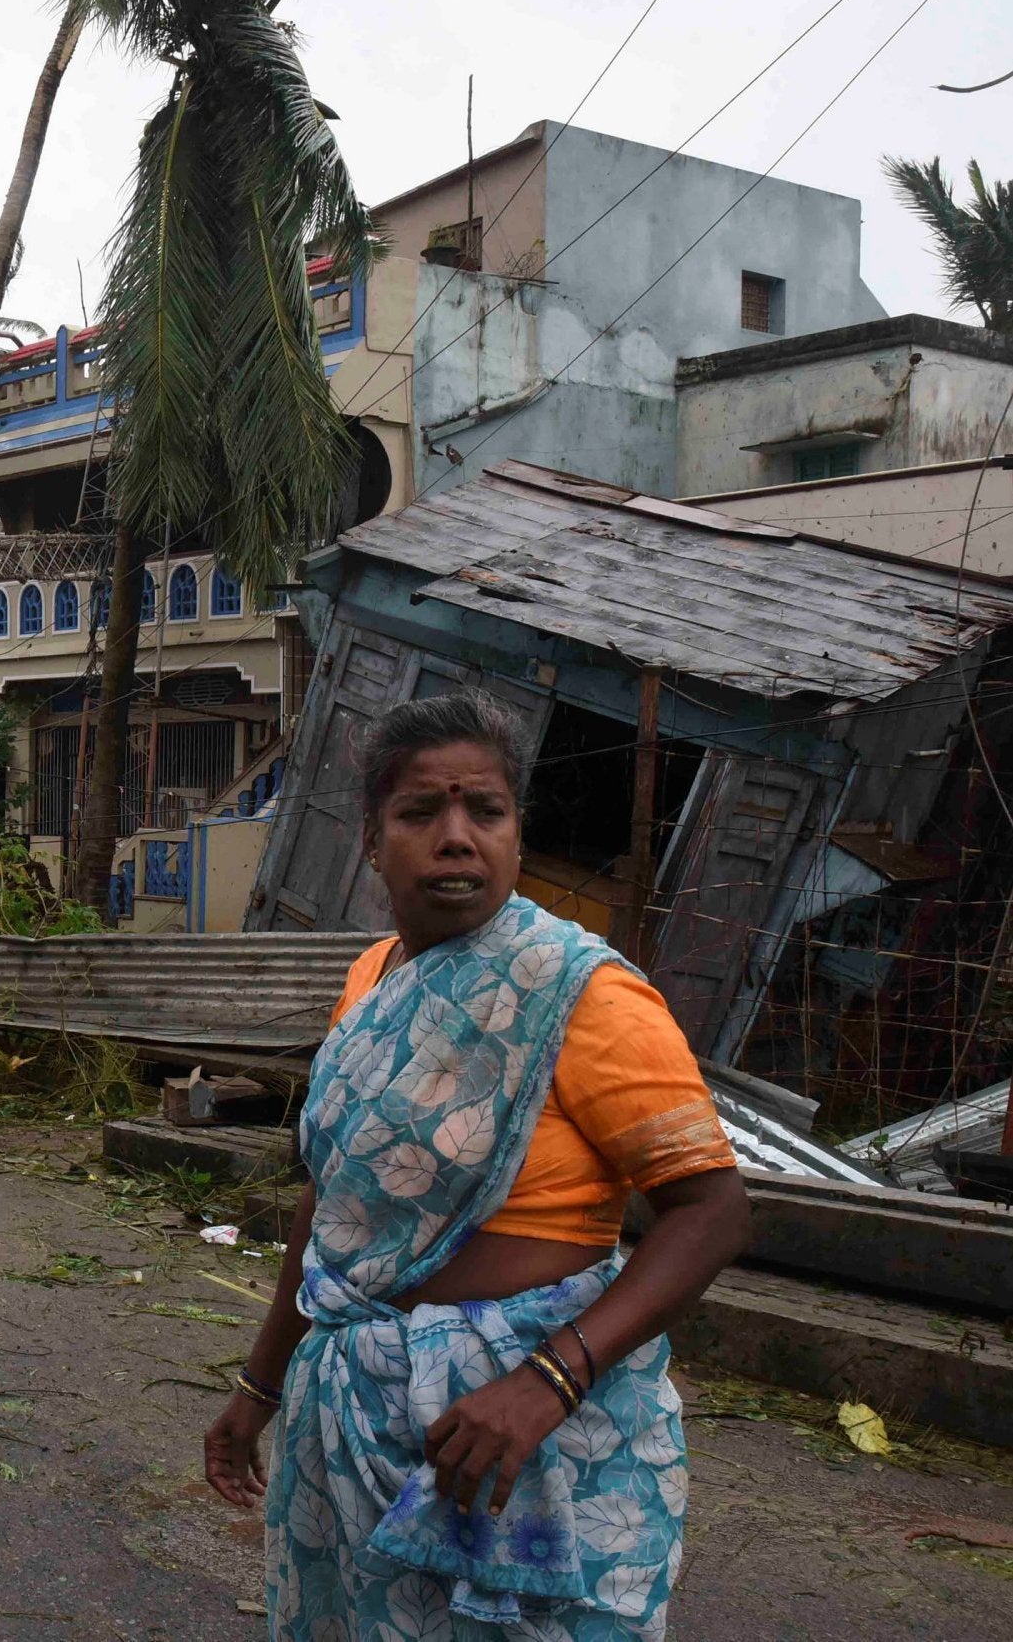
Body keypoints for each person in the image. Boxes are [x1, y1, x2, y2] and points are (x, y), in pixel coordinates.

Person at [203, 690, 750, 1640]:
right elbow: (334, 1208)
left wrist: (547, 1382)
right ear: (371, 841)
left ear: (514, 834)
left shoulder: (581, 993)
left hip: (526, 1437)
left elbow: (711, 1209)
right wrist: (259, 1386)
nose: (455, 837)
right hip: (357, 1420)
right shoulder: (371, 981)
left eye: (484, 811)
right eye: (420, 811)